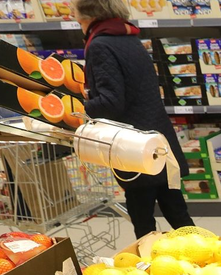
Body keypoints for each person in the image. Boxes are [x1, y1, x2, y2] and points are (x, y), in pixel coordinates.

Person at [74, 0, 194, 239]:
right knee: (179, 214)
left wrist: (77, 109)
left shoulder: (100, 45)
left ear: (85, 14)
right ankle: (207, 258)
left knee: (144, 224)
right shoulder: (128, 37)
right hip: (157, 141)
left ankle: (153, 270)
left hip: (133, 149)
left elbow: (111, 103)